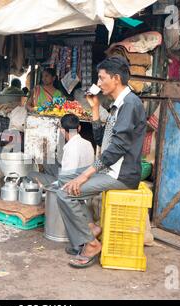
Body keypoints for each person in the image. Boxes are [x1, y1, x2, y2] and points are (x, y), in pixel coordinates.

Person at [56, 56, 147, 269]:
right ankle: (89, 229)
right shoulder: (118, 105)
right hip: (109, 168)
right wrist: (95, 108)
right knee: (62, 179)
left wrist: (85, 175)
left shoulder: (130, 104)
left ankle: (90, 243)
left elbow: (116, 150)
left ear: (115, 78)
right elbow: (101, 141)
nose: (99, 82)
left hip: (121, 174)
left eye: (101, 77)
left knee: (65, 193)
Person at [28, 114, 95, 187]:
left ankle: (48, 187)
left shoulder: (70, 148)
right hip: (84, 177)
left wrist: (50, 185)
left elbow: (67, 179)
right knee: (47, 160)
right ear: (79, 128)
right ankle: (48, 179)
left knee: (30, 175)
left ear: (62, 130)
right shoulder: (88, 143)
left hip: (70, 183)